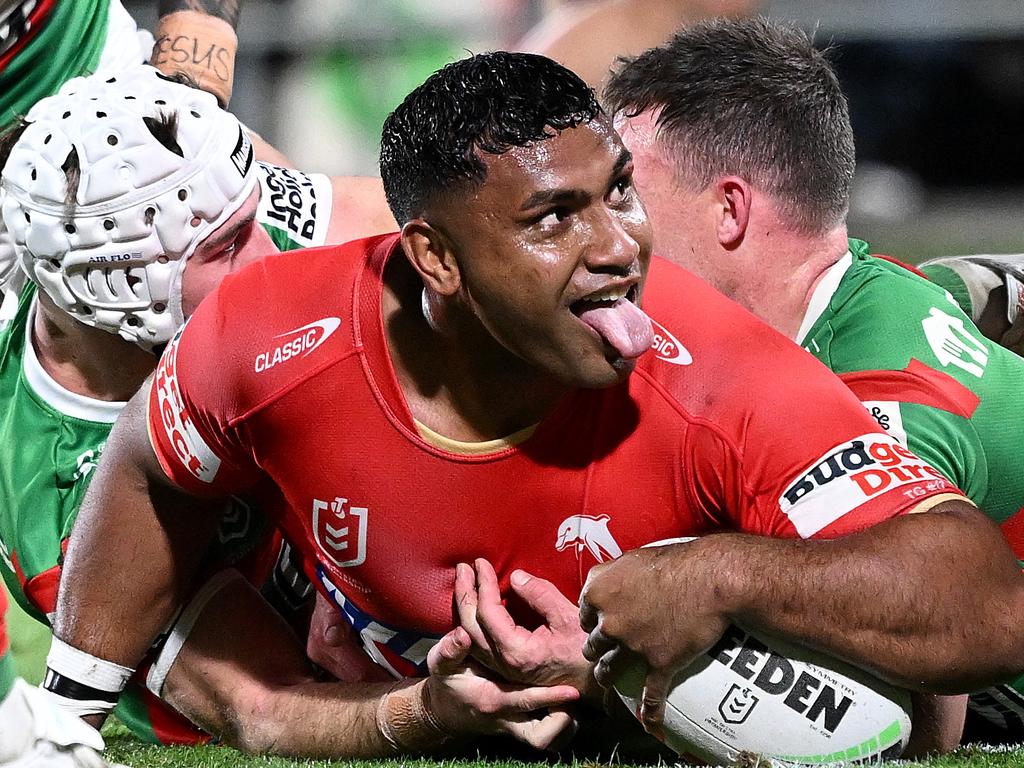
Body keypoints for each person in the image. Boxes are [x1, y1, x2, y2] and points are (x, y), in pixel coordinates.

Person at [47, 50, 1024, 760]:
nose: (617, 247)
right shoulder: (276, 329)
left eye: (620, 196)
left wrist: (714, 585)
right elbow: (149, 457)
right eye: (556, 217)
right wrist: (66, 711)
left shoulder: (723, 380)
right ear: (432, 256)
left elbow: (969, 646)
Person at [603, 16, 1024, 749]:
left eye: (624, 196)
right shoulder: (871, 292)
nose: (604, 235)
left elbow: (928, 727)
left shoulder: (877, 396)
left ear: (730, 210)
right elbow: (982, 287)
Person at [0, 63, 395, 754]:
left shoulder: (191, 212)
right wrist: (440, 708)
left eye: (251, 217)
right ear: (120, 289)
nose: (271, 251)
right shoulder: (63, 509)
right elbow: (269, 705)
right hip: (301, 638)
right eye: (230, 245)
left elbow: (440, 236)